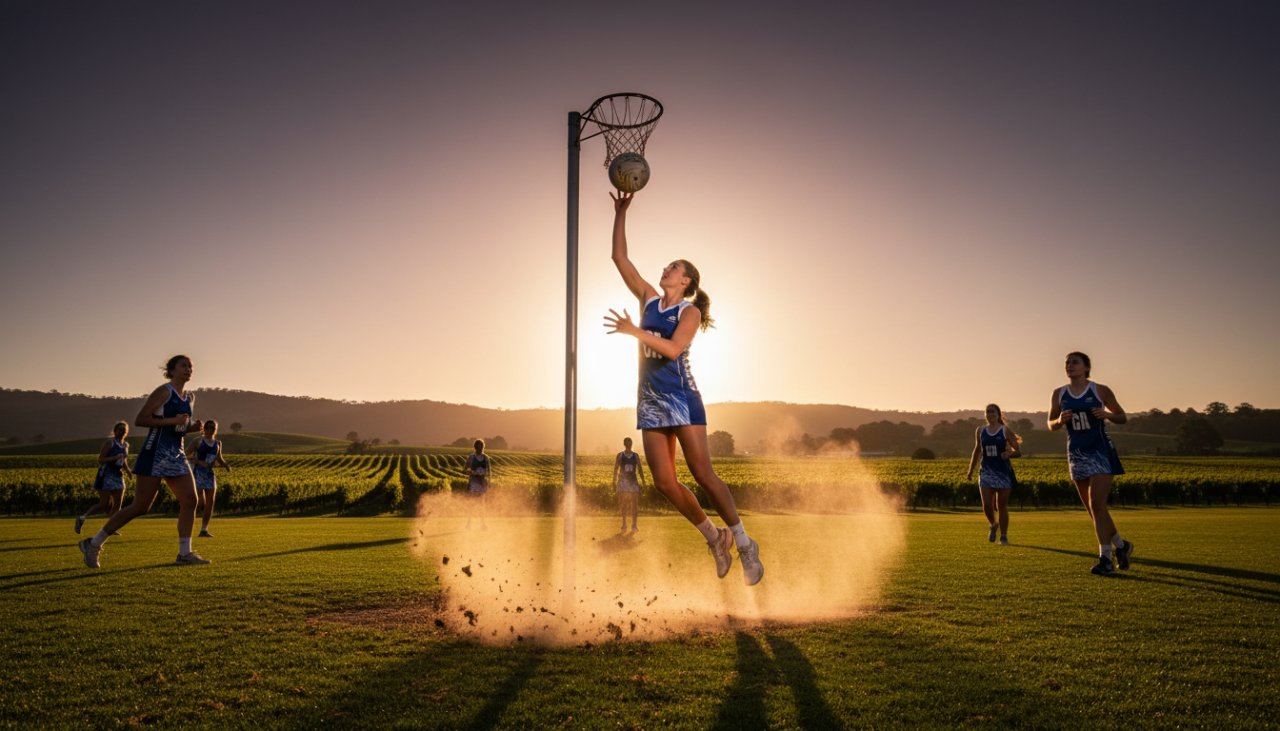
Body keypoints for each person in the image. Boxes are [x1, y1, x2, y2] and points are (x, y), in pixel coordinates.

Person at [602, 190, 764, 585]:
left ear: (686, 280)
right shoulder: (649, 299)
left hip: (681, 399)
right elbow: (620, 258)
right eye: (667, 266)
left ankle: (744, 542)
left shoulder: (687, 311)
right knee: (663, 482)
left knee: (703, 473)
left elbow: (674, 349)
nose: (666, 269)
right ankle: (715, 538)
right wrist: (621, 213)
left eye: (673, 267)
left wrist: (634, 331)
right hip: (650, 402)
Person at [78, 354, 210, 568]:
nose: (189, 369)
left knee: (190, 501)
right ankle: (93, 543)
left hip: (176, 454)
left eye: (191, 366)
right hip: (154, 454)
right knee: (140, 506)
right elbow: (141, 420)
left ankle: (184, 553)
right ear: (172, 370)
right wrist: (174, 420)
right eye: (184, 366)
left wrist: (190, 428)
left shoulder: (190, 398)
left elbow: (177, 428)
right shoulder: (164, 391)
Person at [1048, 351, 1134, 576]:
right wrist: (1059, 420)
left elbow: (1122, 417)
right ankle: (1122, 545)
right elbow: (1051, 424)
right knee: (1093, 509)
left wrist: (1107, 415)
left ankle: (1105, 559)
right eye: (1067, 363)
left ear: (1086, 367)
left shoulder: (1100, 390)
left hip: (1100, 452)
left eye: (1075, 362)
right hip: (1076, 454)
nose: (1069, 365)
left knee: (1097, 504)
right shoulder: (1059, 393)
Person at [965, 404, 1021, 545]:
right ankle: (993, 524)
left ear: (998, 414)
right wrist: (970, 470)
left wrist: (1009, 454)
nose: (990, 414)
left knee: (1001, 505)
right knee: (987, 505)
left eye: (993, 411)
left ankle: (1004, 536)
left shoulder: (1005, 430)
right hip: (986, 471)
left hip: (1003, 472)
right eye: (988, 412)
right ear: (985, 415)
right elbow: (977, 450)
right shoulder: (980, 431)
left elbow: (1018, 451)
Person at [74, 422, 132, 535]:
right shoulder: (110, 443)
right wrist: (114, 458)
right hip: (106, 475)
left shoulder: (126, 445)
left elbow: (123, 460)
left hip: (118, 475)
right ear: (115, 431)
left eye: (124, 429)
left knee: (117, 504)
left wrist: (128, 471)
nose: (123, 431)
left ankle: (111, 527)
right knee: (104, 504)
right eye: (120, 429)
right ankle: (82, 518)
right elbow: (100, 459)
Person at [188, 419, 231, 538]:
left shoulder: (218, 443)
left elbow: (219, 458)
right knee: (200, 502)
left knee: (210, 503)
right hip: (197, 473)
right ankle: (187, 525)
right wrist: (199, 462)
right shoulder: (198, 441)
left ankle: (204, 530)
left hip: (209, 475)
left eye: (213, 428)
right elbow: (184, 455)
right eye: (208, 427)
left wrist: (226, 465)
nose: (210, 430)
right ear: (204, 429)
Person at [612, 436, 648, 533]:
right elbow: (616, 469)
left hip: (632, 482)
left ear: (631, 444)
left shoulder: (635, 456)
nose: (629, 444)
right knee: (624, 504)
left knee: (634, 504)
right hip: (623, 482)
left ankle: (634, 525)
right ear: (625, 444)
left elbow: (640, 469)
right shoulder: (620, 455)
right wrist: (614, 481)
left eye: (630, 442)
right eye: (627, 443)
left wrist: (643, 481)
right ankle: (624, 524)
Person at [464, 439, 490, 530]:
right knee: (472, 504)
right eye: (479, 447)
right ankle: (469, 524)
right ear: (475, 447)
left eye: (482, 447)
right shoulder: (471, 457)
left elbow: (488, 472)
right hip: (473, 483)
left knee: (481, 505)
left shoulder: (486, 458)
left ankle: (482, 524)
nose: (481, 449)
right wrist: (472, 472)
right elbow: (465, 469)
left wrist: (487, 482)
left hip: (482, 484)